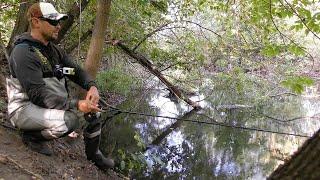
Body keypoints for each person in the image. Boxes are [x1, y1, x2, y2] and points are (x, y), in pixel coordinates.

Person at [6, 2, 114, 170]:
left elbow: (76, 71)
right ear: (36, 22)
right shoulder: (23, 53)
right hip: (24, 108)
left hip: (46, 105)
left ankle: (94, 155)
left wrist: (92, 86)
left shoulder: (54, 51)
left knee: (94, 112)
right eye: (53, 22)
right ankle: (32, 136)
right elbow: (37, 94)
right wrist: (76, 104)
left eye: (59, 22)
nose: (58, 26)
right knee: (69, 121)